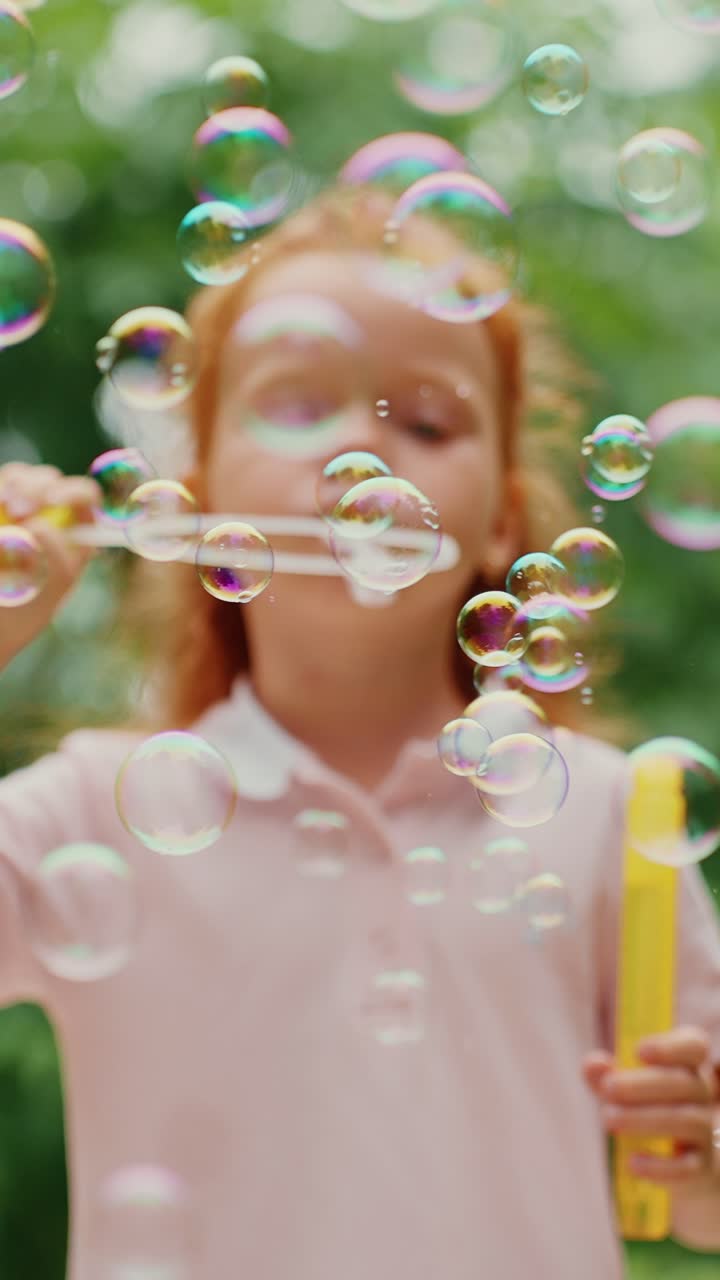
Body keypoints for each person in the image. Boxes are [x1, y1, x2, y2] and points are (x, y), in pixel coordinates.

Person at [0, 188, 718, 1280]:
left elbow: (699, 1187)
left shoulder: (608, 808)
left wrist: (703, 1154)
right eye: (297, 408)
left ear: (500, 529)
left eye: (425, 422)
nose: (359, 457)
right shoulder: (93, 805)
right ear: (195, 507)